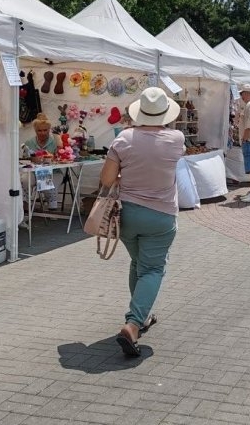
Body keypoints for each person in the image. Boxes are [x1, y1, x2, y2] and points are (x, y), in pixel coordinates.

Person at [99, 87, 185, 357]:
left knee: (139, 264)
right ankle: (133, 324)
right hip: (161, 215)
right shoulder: (176, 138)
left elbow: (106, 180)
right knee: (152, 269)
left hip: (128, 215)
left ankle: (140, 317)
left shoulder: (123, 138)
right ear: (164, 113)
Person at [24, 113, 59, 209]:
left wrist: (52, 157)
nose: (42, 133)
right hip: (33, 171)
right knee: (23, 180)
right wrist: (31, 158)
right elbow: (25, 159)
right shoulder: (29, 143)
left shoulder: (55, 142)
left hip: (53, 171)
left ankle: (52, 208)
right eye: (39, 130)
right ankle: (25, 206)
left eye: (45, 130)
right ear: (35, 130)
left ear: (49, 130)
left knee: (44, 178)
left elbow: (61, 157)